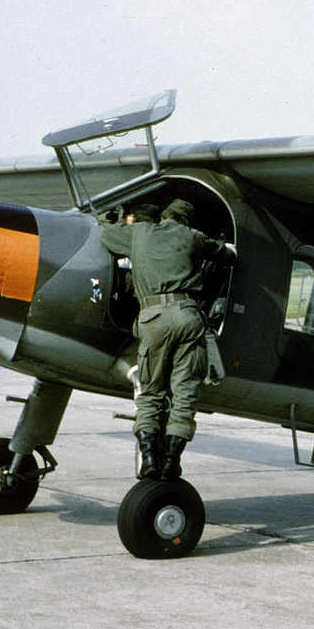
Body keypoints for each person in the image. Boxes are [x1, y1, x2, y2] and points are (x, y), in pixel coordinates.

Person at [101, 200, 235, 482]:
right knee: (185, 393)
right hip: (188, 316)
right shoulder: (192, 236)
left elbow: (106, 236)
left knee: (151, 393)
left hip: (153, 319)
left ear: (164, 216)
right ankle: (172, 462)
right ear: (185, 221)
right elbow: (227, 256)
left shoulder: (140, 232)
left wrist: (111, 220)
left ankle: (150, 460)